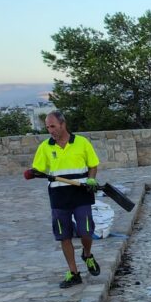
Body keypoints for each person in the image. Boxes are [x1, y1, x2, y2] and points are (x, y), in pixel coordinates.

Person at [31, 110, 102, 288]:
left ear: (63, 124)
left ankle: (87, 254)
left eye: (53, 126)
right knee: (64, 235)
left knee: (86, 231)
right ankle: (74, 273)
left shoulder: (81, 142)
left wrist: (91, 179)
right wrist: (33, 173)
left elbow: (93, 165)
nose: (50, 130)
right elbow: (38, 168)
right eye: (48, 127)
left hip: (81, 193)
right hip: (58, 196)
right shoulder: (45, 147)